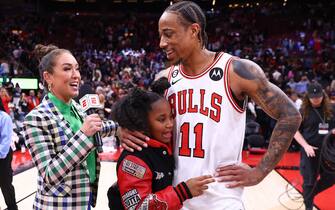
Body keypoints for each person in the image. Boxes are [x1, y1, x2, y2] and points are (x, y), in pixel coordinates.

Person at [119, 1, 302, 209]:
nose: (162, 43)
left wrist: (259, 172)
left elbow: (290, 115)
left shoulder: (235, 70)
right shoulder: (164, 79)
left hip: (223, 201)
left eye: (169, 34)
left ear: (194, 30)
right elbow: (138, 120)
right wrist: (122, 130)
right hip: (178, 198)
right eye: (160, 35)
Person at [23, 44, 118, 210]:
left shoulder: (78, 108)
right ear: (48, 77)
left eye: (77, 69)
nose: (76, 76)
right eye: (67, 69)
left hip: (84, 201)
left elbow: (96, 128)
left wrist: (120, 129)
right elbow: (49, 174)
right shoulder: (35, 118)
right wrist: (83, 134)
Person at [108, 85, 214, 210]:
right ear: (142, 122)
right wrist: (182, 192)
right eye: (161, 119)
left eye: (171, 117)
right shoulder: (133, 159)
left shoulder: (163, 145)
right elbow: (137, 207)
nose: (170, 124)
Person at [293, 82, 335, 210]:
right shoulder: (302, 111)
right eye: (313, 97)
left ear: (323, 95)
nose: (316, 99)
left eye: (318, 96)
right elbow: (294, 131)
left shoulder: (332, 108)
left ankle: (309, 196)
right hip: (310, 151)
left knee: (332, 177)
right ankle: (309, 205)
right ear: (308, 97)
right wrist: (305, 145)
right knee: (309, 182)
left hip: (329, 152)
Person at [0, 99, 18, 210]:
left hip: (3, 156)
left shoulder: (4, 117)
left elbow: (5, 142)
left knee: (5, 184)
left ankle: (12, 207)